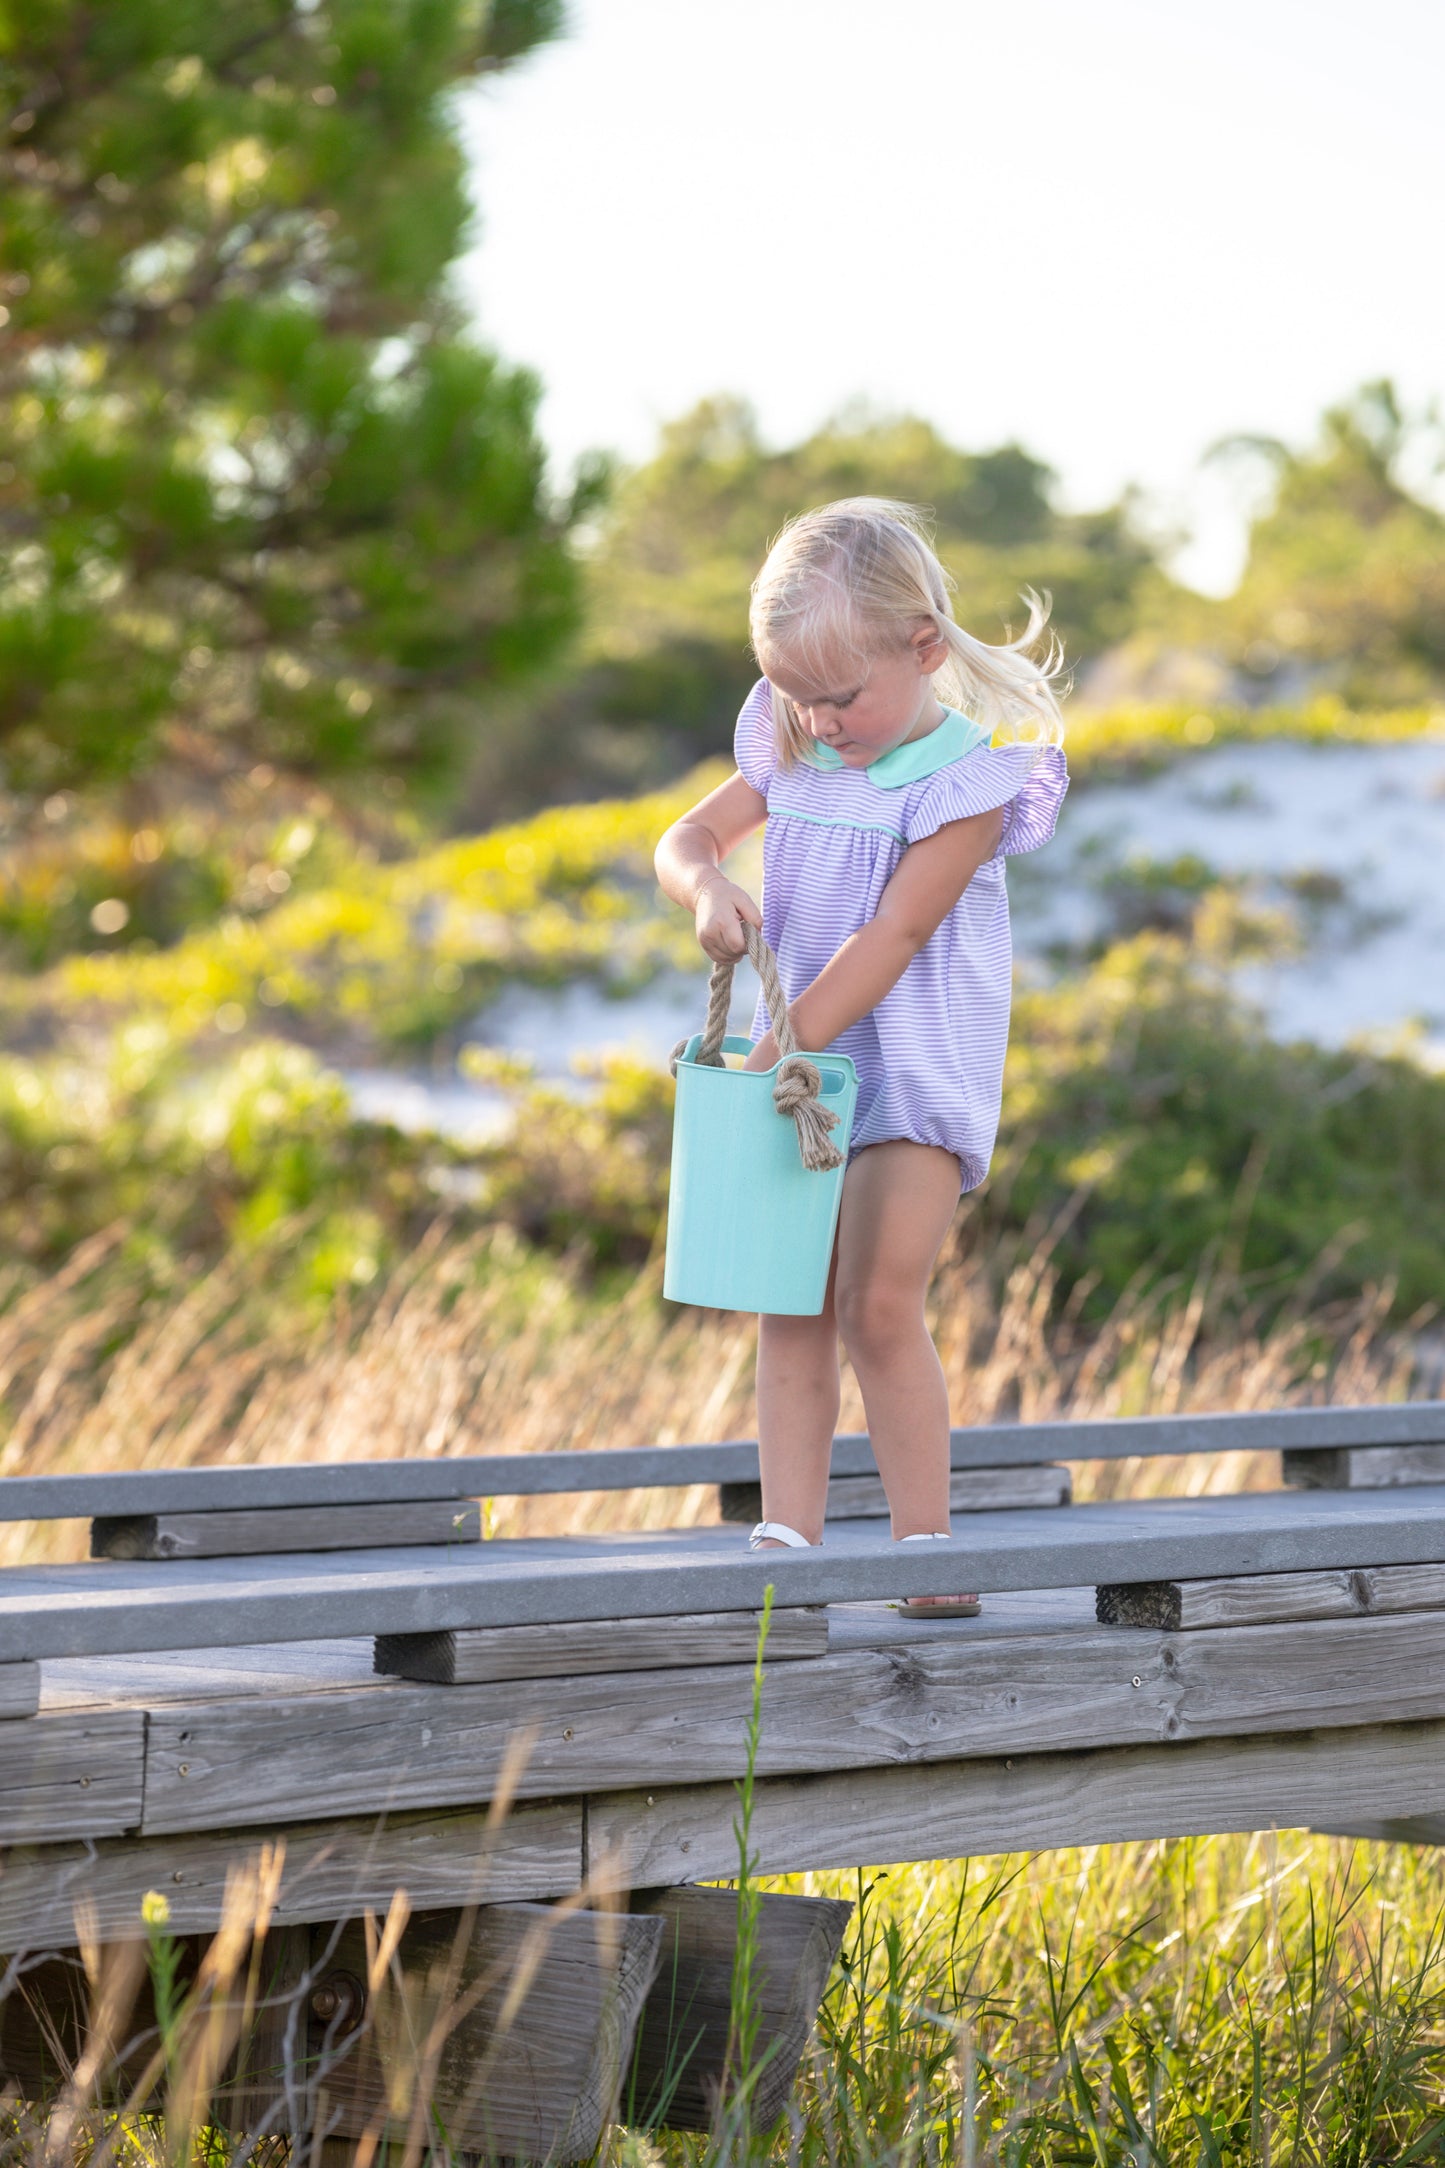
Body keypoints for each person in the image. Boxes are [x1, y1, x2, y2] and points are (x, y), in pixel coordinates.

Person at [655, 498, 1068, 1613]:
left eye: (842, 695)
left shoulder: (964, 786)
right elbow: (684, 836)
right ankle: (786, 1535)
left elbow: (890, 936)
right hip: (801, 1063)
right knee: (785, 1298)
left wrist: (775, 1046)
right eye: (797, 694)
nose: (821, 719)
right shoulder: (794, 742)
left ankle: (924, 1547)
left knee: (877, 1301)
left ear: (922, 646)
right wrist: (707, 889)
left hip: (908, 1070)